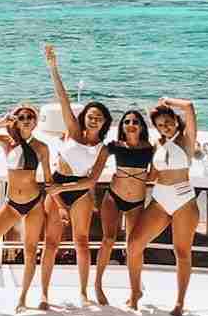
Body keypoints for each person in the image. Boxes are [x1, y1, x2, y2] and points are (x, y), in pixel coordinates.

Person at [57, 108, 154, 305]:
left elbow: (155, 174)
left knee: (134, 247)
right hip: (113, 197)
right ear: (122, 127)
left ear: (141, 126)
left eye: (135, 121)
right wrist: (67, 146)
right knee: (107, 240)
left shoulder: (150, 149)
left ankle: (135, 291)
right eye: (126, 122)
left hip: (136, 202)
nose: (130, 125)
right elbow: (94, 166)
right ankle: (97, 286)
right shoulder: (113, 146)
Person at [39, 44, 110, 308]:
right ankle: (44, 293)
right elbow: (63, 99)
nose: (94, 120)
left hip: (79, 191)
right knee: (51, 243)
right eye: (91, 116)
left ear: (104, 122)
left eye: (99, 118)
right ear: (84, 118)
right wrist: (53, 68)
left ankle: (83, 292)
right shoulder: (72, 131)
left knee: (82, 242)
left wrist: (62, 192)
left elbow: (92, 181)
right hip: (58, 182)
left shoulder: (102, 148)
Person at [0, 106, 53, 313]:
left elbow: (49, 181)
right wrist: (2, 122)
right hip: (12, 203)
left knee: (30, 251)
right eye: (21, 117)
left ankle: (23, 297)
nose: (26, 120)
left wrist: (58, 206)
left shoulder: (42, 148)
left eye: (30, 117)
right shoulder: (7, 142)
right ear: (15, 121)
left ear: (35, 122)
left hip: (34, 203)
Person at [126, 97, 199, 316]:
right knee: (134, 245)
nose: (164, 126)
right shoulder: (157, 144)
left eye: (168, 122)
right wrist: (128, 174)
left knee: (182, 252)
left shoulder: (187, 139)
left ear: (176, 121)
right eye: (159, 124)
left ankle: (179, 302)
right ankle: (135, 292)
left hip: (184, 201)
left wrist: (167, 101)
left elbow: (189, 107)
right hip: (160, 199)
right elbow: (153, 175)